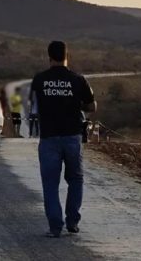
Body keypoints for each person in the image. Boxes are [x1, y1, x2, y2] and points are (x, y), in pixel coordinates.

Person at [30, 41, 97, 238]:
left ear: (49, 56)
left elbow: (33, 107)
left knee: (50, 183)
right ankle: (72, 222)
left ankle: (55, 227)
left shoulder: (39, 80)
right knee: (75, 179)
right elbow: (91, 106)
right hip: (72, 137)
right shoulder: (78, 80)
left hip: (49, 137)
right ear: (68, 56)